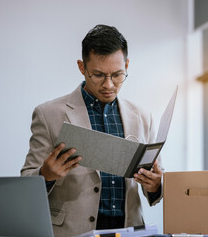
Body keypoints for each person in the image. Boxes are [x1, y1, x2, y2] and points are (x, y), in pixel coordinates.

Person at [21, 24, 163, 237]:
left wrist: (155, 185)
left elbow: (153, 182)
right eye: (98, 75)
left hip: (130, 230)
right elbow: (25, 184)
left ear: (127, 65)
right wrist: (46, 175)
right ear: (82, 67)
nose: (109, 85)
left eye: (117, 75)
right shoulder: (48, 114)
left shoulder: (143, 117)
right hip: (72, 231)